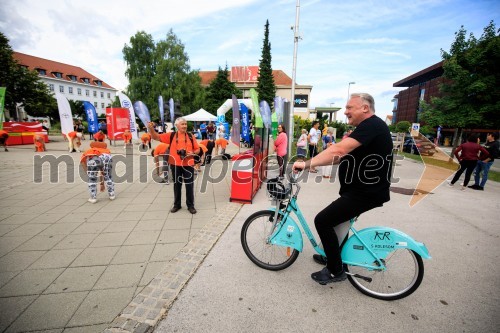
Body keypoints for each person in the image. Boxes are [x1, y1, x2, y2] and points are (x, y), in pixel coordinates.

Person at [292, 93, 393, 285]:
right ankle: (332, 256)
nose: (345, 112)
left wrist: (304, 164)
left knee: (323, 221)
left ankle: (335, 270)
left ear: (365, 108)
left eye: (349, 108)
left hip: (364, 193)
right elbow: (338, 156)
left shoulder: (371, 125)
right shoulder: (368, 127)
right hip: (359, 191)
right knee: (339, 223)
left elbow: (338, 150)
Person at [148, 118, 200, 214]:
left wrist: (192, 152)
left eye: (185, 124)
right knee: (177, 185)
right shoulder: (171, 135)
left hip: (188, 164)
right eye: (182, 124)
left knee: (189, 185)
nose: (184, 126)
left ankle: (190, 205)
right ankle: (177, 205)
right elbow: (155, 137)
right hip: (175, 164)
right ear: (177, 126)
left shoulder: (190, 136)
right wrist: (151, 128)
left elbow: (197, 150)